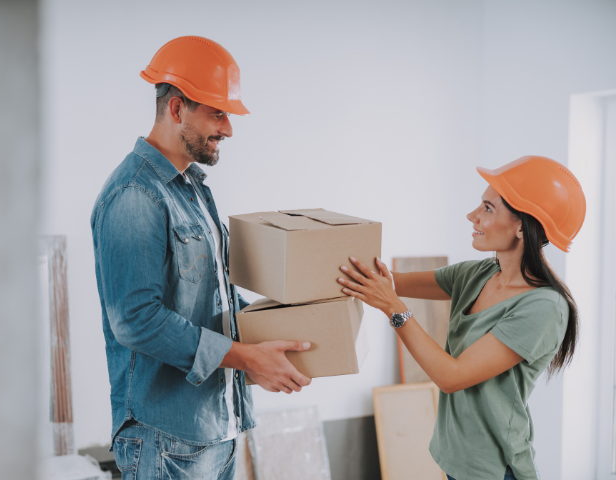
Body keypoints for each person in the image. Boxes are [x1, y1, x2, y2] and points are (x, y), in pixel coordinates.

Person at [91, 36, 311, 480]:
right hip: (165, 440)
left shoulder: (192, 189)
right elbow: (136, 319)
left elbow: (212, 300)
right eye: (218, 112)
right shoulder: (135, 195)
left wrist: (291, 331)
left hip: (215, 427)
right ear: (176, 109)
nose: (228, 128)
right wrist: (248, 357)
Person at [338, 155, 586, 480]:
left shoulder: (544, 307)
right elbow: (389, 281)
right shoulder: (477, 273)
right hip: (456, 461)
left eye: (487, 208)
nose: (472, 216)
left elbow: (451, 377)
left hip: (496, 471)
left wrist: (393, 308)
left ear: (522, 227)